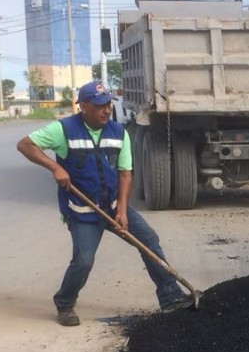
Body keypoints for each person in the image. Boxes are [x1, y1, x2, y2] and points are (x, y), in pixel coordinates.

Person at [16, 81, 194, 326]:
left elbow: (125, 173)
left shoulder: (119, 132)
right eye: (100, 106)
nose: (106, 110)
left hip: (112, 204)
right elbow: (25, 145)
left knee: (149, 240)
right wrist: (55, 167)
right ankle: (65, 303)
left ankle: (170, 296)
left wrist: (122, 209)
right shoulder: (63, 130)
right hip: (82, 210)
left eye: (108, 104)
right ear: (84, 106)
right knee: (84, 260)